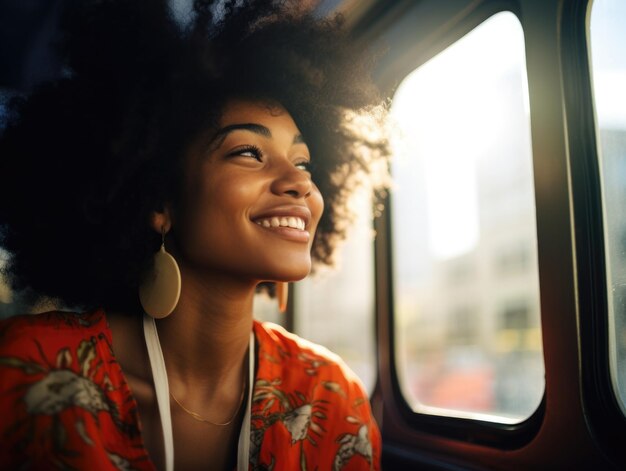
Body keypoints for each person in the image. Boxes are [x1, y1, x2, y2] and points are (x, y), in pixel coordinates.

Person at [0, 0, 390, 469]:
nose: (301, 182)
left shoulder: (334, 399)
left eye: (304, 162)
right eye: (248, 151)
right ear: (159, 201)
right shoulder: (23, 371)